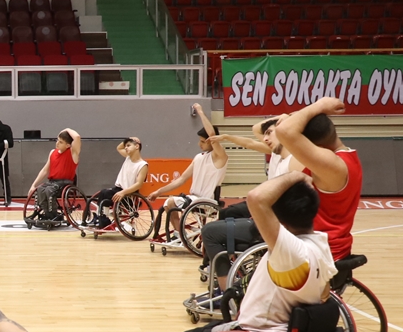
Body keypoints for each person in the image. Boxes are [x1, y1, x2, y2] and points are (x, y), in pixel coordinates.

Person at [176, 172, 336, 332]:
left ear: (278, 219)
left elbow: (256, 198)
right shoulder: (321, 246)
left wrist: (295, 175)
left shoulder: (291, 253)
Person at [198, 117, 300, 291]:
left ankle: (226, 290)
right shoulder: (277, 154)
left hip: (273, 223)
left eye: (270, 133)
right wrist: (227, 137)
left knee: (211, 231)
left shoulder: (294, 159)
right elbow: (251, 137)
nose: (265, 138)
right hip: (266, 213)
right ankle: (223, 270)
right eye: (265, 134)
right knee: (223, 216)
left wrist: (287, 117)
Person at [275, 97, 362, 262]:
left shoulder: (332, 164)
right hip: (317, 243)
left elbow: (284, 131)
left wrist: (320, 105)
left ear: (315, 147)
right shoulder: (345, 157)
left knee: (216, 234)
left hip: (319, 249)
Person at [149, 104, 228, 240]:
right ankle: (181, 234)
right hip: (194, 198)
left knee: (172, 202)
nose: (199, 144)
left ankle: (182, 236)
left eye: (203, 141)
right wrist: (158, 192)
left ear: (211, 142)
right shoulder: (199, 157)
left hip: (207, 201)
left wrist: (201, 112)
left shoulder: (220, 158)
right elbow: (181, 179)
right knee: (169, 203)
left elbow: (212, 134)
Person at [88, 137, 148, 228]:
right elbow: (119, 148)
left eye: (128, 145)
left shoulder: (143, 165)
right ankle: (101, 217)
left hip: (128, 194)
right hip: (118, 189)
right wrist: (129, 138)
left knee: (105, 193)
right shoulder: (128, 158)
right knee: (103, 193)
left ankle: (103, 218)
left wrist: (123, 192)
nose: (126, 147)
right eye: (125, 146)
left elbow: (139, 184)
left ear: (137, 146)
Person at [26, 128, 80, 220]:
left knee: (49, 190)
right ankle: (47, 213)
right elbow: (44, 171)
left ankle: (53, 214)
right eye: (57, 140)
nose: (57, 143)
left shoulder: (72, 153)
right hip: (52, 182)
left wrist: (66, 129)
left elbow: (77, 137)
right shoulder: (52, 153)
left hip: (65, 183)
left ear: (68, 145)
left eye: (61, 142)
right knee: (40, 190)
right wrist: (33, 185)